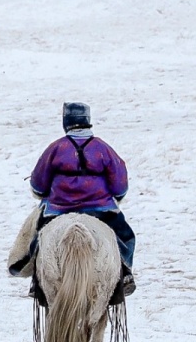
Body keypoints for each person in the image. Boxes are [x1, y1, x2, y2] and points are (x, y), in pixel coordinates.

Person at [25, 102, 136, 304]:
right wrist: (115, 197)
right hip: (100, 208)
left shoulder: (56, 148)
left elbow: (38, 184)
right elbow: (120, 184)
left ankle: (37, 279)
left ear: (66, 122)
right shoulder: (102, 148)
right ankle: (125, 272)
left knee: (37, 238)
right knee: (126, 237)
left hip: (59, 209)